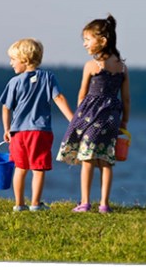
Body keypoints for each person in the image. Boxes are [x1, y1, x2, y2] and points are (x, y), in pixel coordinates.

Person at [56, 14, 130, 213]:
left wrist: (78, 120)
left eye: (87, 40)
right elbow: (126, 99)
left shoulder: (92, 66)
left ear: (102, 41)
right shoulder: (122, 67)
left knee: (87, 159)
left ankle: (85, 202)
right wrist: (124, 121)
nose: (85, 45)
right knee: (106, 161)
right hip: (112, 118)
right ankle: (105, 204)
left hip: (91, 117)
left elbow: (82, 95)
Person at [0, 38, 74, 212]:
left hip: (18, 133)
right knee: (38, 169)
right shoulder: (48, 77)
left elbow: (5, 108)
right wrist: (72, 119)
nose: (11, 63)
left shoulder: (14, 82)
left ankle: (19, 204)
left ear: (24, 60)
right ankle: (35, 204)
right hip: (40, 132)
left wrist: (6, 129)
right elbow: (59, 99)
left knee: (20, 167)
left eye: (13, 59)